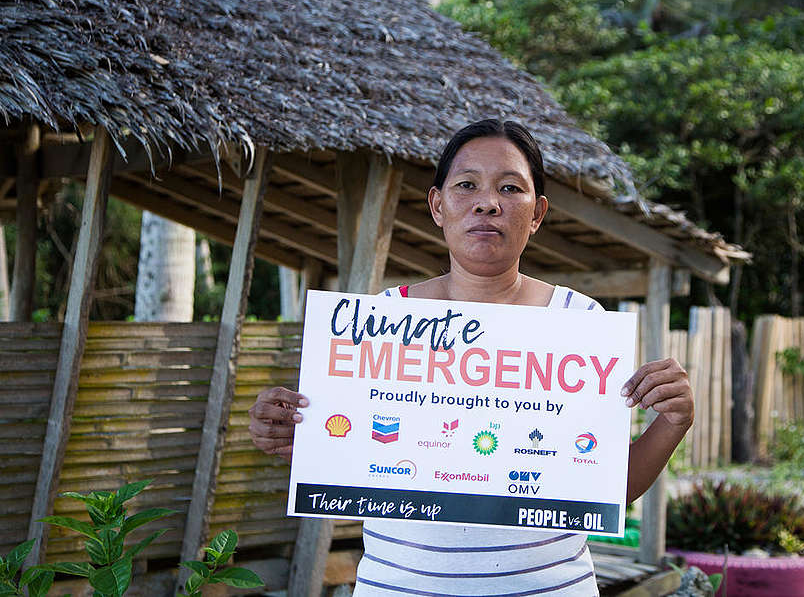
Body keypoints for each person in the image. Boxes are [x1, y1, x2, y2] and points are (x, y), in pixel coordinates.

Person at [249, 119, 694, 595]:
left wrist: (673, 421)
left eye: (509, 187)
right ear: (438, 206)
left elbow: (607, 489)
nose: (487, 202)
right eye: (467, 185)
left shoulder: (581, 322)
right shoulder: (380, 322)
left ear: (537, 213)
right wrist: (296, 435)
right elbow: (349, 458)